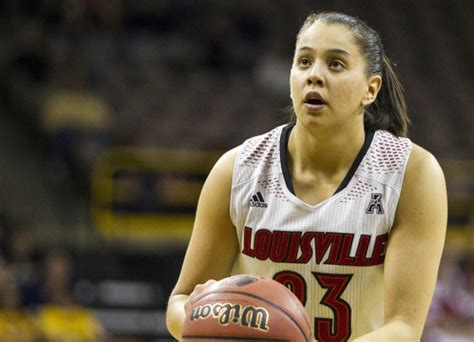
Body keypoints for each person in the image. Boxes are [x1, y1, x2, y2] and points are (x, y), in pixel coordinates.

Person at [166, 11, 447, 341]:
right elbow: (179, 303)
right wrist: (205, 312)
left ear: (370, 89)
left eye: (335, 64)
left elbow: (404, 327)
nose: (314, 75)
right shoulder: (238, 170)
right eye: (304, 62)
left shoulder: (411, 173)